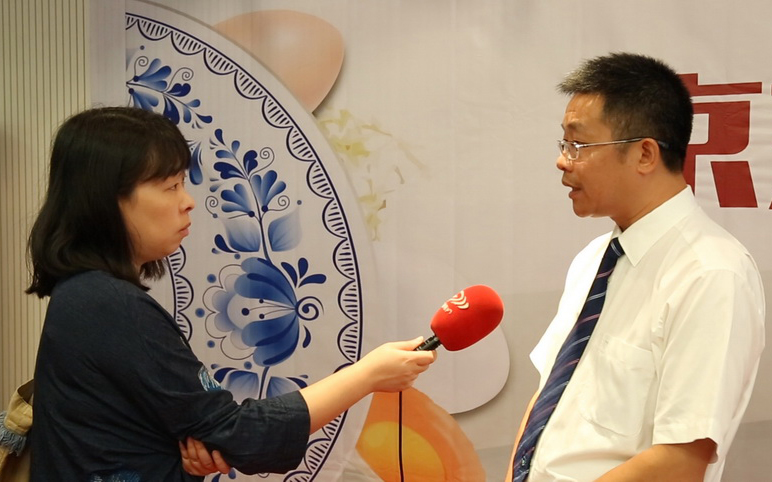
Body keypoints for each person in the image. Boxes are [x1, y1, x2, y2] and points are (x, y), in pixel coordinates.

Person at [26, 106, 436, 481]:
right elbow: (239, 434)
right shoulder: (105, 303)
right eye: (170, 186)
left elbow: (197, 432)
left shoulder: (87, 295)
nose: (188, 202)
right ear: (107, 201)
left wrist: (196, 447)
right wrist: (367, 375)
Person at [506, 52, 765, 481]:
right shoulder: (595, 258)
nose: (562, 161)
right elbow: (548, 398)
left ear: (645, 154)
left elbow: (680, 461)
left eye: (579, 145)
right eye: (564, 144)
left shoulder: (711, 274)